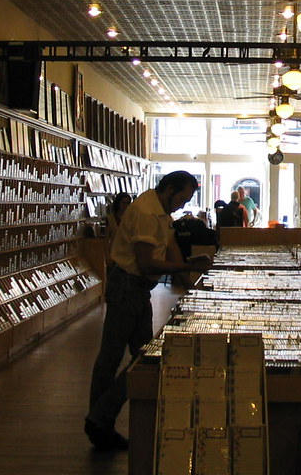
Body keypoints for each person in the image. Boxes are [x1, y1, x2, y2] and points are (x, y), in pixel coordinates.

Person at [85, 171, 210, 452]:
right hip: (128, 286)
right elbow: (147, 264)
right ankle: (99, 421)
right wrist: (188, 268)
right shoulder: (146, 213)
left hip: (137, 288)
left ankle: (99, 420)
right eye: (182, 198)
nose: (183, 204)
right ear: (169, 189)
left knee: (143, 357)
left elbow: (171, 247)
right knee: (118, 356)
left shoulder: (159, 210)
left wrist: (190, 286)